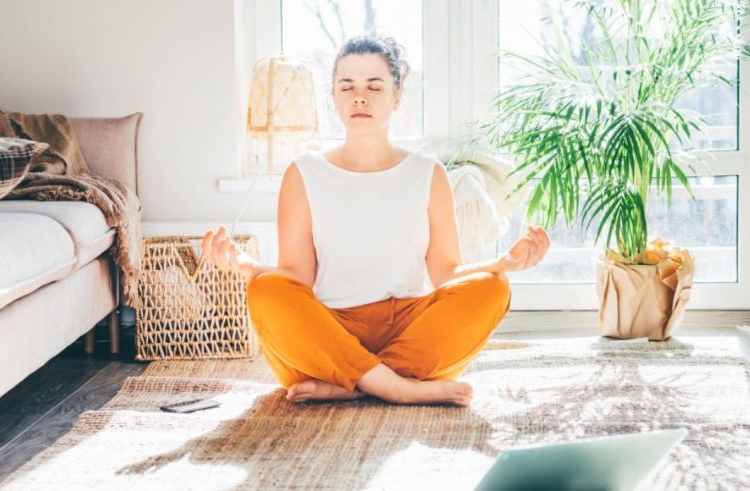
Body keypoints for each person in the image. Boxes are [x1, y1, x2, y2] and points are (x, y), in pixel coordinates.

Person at [202, 35, 550, 407]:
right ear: (333, 97)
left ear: (397, 96)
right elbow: (297, 279)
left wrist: (503, 264)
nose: (359, 97)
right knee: (266, 290)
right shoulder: (303, 173)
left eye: (374, 86)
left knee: (493, 288)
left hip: (408, 328)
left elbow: (446, 273)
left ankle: (353, 384)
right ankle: (398, 386)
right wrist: (248, 267)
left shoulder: (427, 172)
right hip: (329, 332)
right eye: (346, 86)